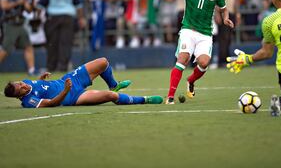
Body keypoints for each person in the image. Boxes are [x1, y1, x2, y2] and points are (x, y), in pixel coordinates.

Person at [164, 0, 234, 104]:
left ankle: (191, 81)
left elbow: (224, 9)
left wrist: (225, 18)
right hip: (188, 30)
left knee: (203, 63)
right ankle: (170, 97)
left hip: (205, 34)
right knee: (183, 58)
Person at [3, 57, 163, 108]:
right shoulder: (28, 102)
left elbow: (36, 88)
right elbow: (51, 103)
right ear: (20, 97)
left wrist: (40, 80)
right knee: (111, 96)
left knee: (103, 62)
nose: (24, 86)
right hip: (72, 97)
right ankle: (145, 99)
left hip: (68, 80)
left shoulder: (25, 82)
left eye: (20, 84)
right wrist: (65, 91)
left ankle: (114, 83)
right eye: (21, 89)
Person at [38, 0, 86, 72]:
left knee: (52, 43)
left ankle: (51, 67)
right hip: (68, 17)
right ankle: (62, 67)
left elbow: (40, 5)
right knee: (66, 43)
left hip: (53, 18)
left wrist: (38, 18)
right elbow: (79, 5)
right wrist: (81, 18)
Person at [0, 0, 37, 75]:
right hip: (10, 24)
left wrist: (32, 1)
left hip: (20, 24)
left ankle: (32, 70)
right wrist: (18, 2)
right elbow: (4, 6)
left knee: (28, 46)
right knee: (5, 49)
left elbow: (29, 10)